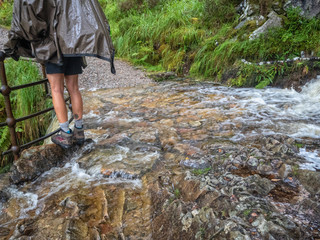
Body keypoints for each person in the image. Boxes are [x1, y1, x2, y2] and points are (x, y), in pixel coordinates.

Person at [4, 0, 115, 149]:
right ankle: (79, 130)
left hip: (52, 44)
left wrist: (13, 44)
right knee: (74, 88)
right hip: (72, 44)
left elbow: (30, 17)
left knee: (56, 89)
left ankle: (65, 133)